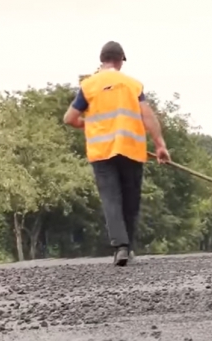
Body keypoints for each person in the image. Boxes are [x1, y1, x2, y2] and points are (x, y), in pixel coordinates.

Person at [63, 41, 170, 266]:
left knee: (111, 199)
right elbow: (147, 116)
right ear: (121, 60)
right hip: (131, 149)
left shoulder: (88, 86)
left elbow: (69, 118)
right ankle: (128, 247)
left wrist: (87, 123)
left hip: (102, 152)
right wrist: (160, 145)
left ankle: (120, 246)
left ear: (102, 60)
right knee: (130, 201)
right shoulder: (133, 85)